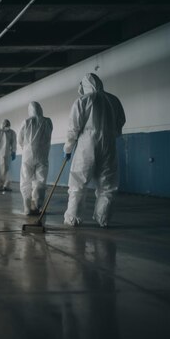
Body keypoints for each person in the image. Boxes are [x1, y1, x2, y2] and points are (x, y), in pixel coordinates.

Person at [63, 73, 126, 228]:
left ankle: (73, 218)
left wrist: (68, 148)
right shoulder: (113, 100)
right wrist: (112, 133)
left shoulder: (82, 101)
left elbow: (73, 128)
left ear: (84, 85)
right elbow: (121, 121)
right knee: (108, 186)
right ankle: (102, 219)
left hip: (87, 145)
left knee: (78, 183)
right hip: (108, 144)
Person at [18, 101, 53, 215]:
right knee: (40, 181)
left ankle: (27, 208)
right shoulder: (48, 121)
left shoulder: (26, 121)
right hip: (43, 155)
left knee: (26, 181)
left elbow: (20, 138)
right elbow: (49, 135)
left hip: (28, 155)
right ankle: (37, 206)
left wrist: (25, 147)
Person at [0, 119, 17, 192]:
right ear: (3, 126)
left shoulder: (12, 133)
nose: (7, 127)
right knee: (2, 170)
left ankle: (7, 185)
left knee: (8, 170)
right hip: (0, 154)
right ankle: (0, 186)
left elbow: (14, 142)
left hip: (8, 154)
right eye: (5, 126)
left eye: (8, 126)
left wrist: (13, 151)